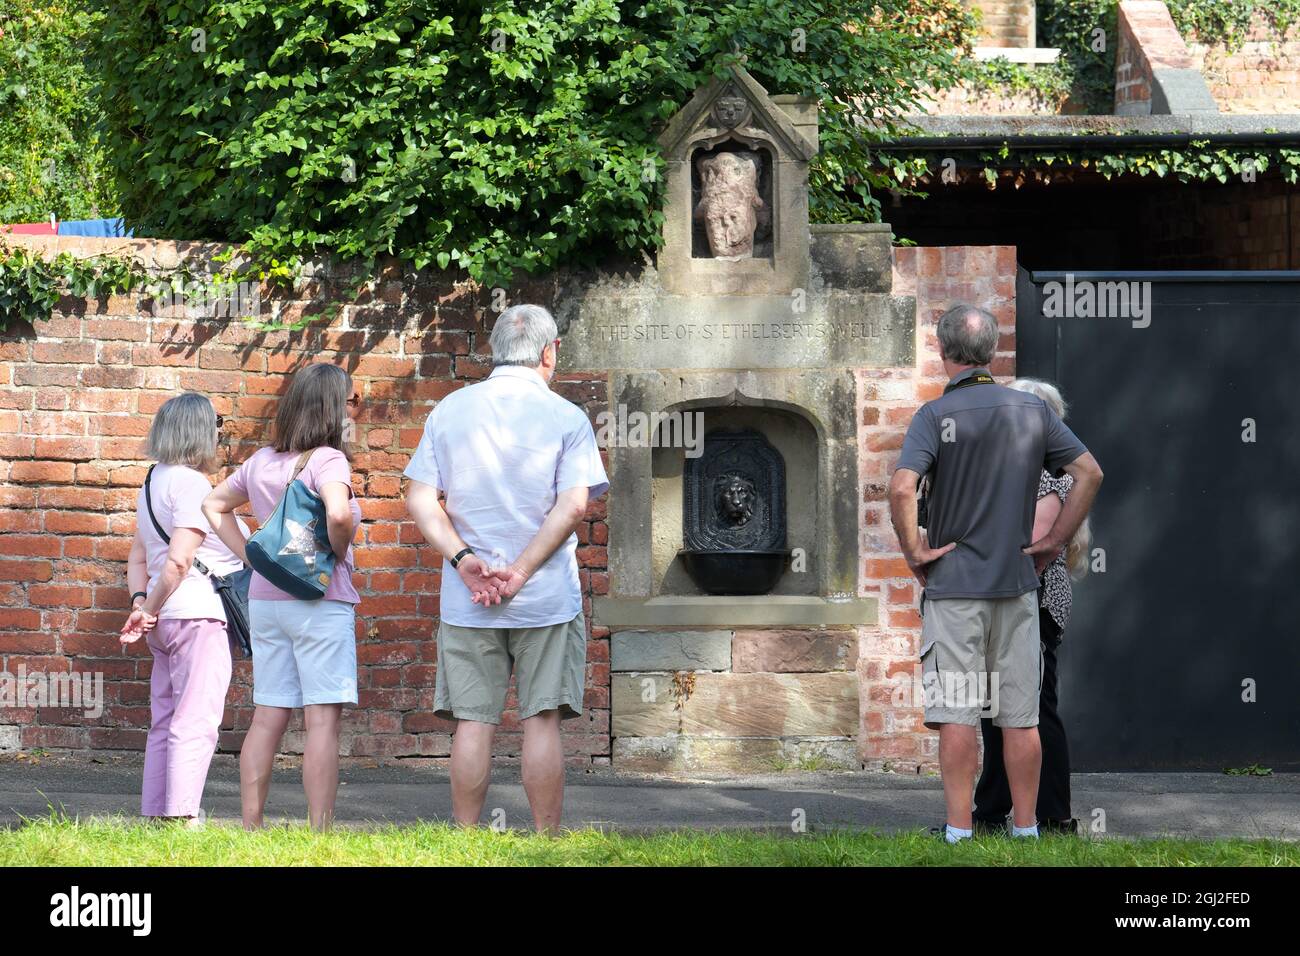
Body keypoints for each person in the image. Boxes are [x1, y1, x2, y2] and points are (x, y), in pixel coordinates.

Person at [889, 305, 1102, 844]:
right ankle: (1027, 830)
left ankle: (960, 830)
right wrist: (1052, 542)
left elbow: (900, 488)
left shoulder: (935, 416)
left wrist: (915, 552)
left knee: (959, 714)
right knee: (1021, 717)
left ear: (943, 351)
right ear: (992, 350)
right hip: (1018, 588)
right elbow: (1089, 473)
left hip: (955, 589)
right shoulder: (1031, 411)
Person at [404, 303, 608, 834]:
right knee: (541, 721)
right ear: (548, 352)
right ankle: (544, 838)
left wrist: (466, 562)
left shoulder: (450, 410)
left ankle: (467, 838)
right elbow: (573, 506)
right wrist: (518, 572)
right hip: (545, 597)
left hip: (469, 597)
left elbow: (421, 499)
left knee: (473, 722)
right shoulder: (567, 417)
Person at [202, 363, 362, 830]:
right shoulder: (329, 459)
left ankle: (251, 825)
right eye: (352, 401)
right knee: (322, 722)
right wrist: (337, 551)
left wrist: (250, 557)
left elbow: (213, 505)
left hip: (266, 603)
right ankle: (320, 830)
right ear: (334, 407)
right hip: (320, 601)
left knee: (268, 712)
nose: (356, 409)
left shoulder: (260, 461)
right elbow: (337, 514)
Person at [121, 392, 246, 825]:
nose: (218, 434)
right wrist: (149, 609)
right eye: (216, 425)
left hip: (165, 622)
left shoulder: (151, 481)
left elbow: (139, 558)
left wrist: (143, 604)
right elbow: (180, 560)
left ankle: (156, 814)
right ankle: (181, 817)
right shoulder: (192, 484)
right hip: (196, 615)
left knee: (165, 720)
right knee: (197, 719)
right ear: (199, 431)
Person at [973, 378, 1091, 835]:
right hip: (1014, 598)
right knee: (999, 709)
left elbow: (1034, 551)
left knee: (1034, 709)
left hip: (1032, 601)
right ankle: (992, 811)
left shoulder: (1045, 474)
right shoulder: (1025, 469)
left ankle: (1053, 817)